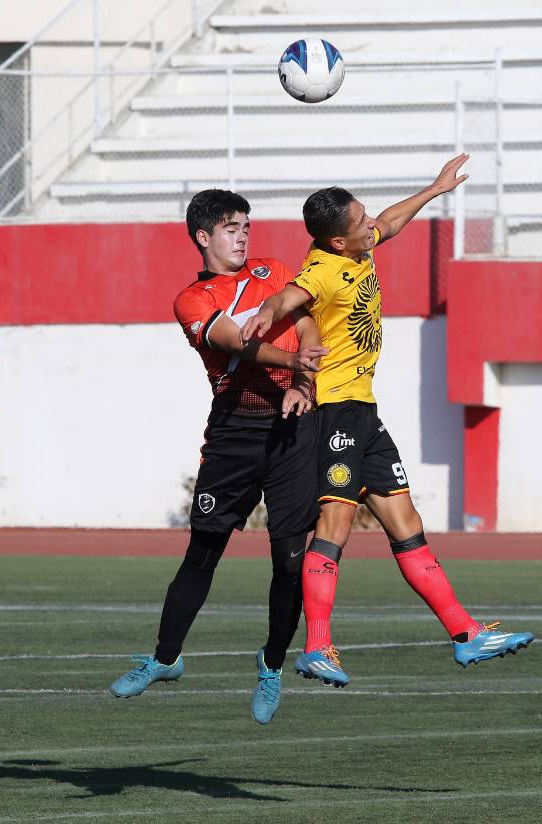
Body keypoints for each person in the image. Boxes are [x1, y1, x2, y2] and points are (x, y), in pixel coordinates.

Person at [241, 155, 534, 686]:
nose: (370, 223)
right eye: (361, 221)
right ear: (338, 241)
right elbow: (291, 294)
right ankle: (317, 648)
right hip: (333, 411)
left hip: (363, 412)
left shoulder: (358, 245)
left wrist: (435, 189)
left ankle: (466, 634)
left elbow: (392, 222)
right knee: (334, 527)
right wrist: (268, 311)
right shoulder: (324, 270)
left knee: (407, 523)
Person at [109, 189, 328, 724]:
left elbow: (306, 324)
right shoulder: (192, 299)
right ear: (203, 237)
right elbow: (235, 342)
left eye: (246, 227)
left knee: (289, 559)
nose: (243, 236)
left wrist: (303, 380)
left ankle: (271, 666)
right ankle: (165, 659)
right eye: (232, 228)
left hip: (293, 427)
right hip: (235, 430)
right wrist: (296, 363)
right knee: (203, 551)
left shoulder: (274, 271)